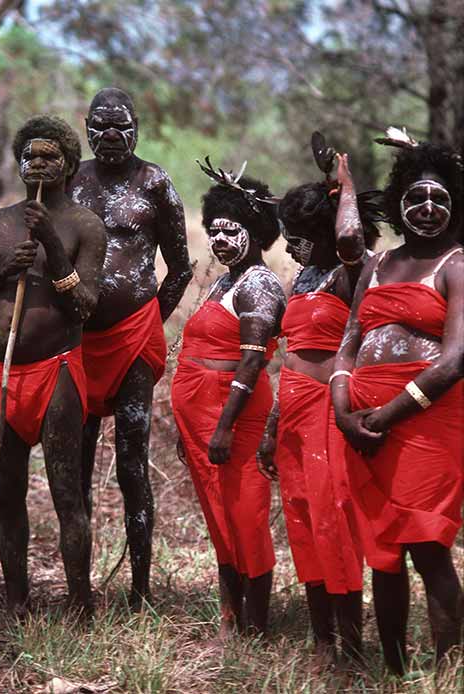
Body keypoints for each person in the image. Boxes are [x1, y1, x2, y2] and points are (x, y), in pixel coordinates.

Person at [0, 115, 106, 616]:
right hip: (2, 375)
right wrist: (4, 270)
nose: (39, 164)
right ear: (20, 164)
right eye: (31, 156)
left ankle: (80, 602)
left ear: (69, 165)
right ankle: (16, 599)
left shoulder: (85, 225)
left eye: (50, 157)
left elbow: (85, 307)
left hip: (55, 374)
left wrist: (52, 248)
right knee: (6, 492)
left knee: (66, 492)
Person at [331, 137, 464, 674]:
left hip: (427, 423)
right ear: (397, 204)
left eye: (439, 198)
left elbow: (455, 360)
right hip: (363, 425)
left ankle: (448, 671)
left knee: (428, 545)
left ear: (455, 205)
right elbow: (348, 342)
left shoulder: (457, 264)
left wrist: (386, 415)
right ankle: (393, 672)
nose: (427, 208)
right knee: (383, 553)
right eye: (415, 198)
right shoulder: (379, 263)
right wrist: (342, 411)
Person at [257, 148, 383, 665]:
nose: (289, 247)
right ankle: (322, 639)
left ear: (325, 232)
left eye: (298, 236)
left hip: (331, 412)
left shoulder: (354, 273)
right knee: (302, 519)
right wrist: (272, 426)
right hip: (292, 412)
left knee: (335, 520)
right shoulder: (303, 279)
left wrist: (344, 185)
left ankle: (350, 645)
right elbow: (289, 356)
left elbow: (351, 239)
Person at [68, 88, 192, 604]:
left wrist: (148, 323)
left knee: (131, 461)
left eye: (121, 126)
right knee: (74, 463)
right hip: (78, 340)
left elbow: (180, 268)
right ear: (86, 131)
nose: (111, 136)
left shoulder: (154, 183)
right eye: (100, 127)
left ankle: (140, 590)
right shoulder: (71, 181)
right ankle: (78, 587)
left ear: (137, 129)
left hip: (135, 340)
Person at [171, 163, 285, 638]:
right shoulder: (226, 281)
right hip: (202, 420)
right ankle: (230, 619)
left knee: (246, 517)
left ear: (254, 234)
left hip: (233, 420)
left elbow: (252, 361)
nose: (219, 240)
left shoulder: (258, 284)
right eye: (213, 231)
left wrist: (224, 427)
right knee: (220, 518)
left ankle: (256, 627)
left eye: (230, 231)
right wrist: (188, 427)